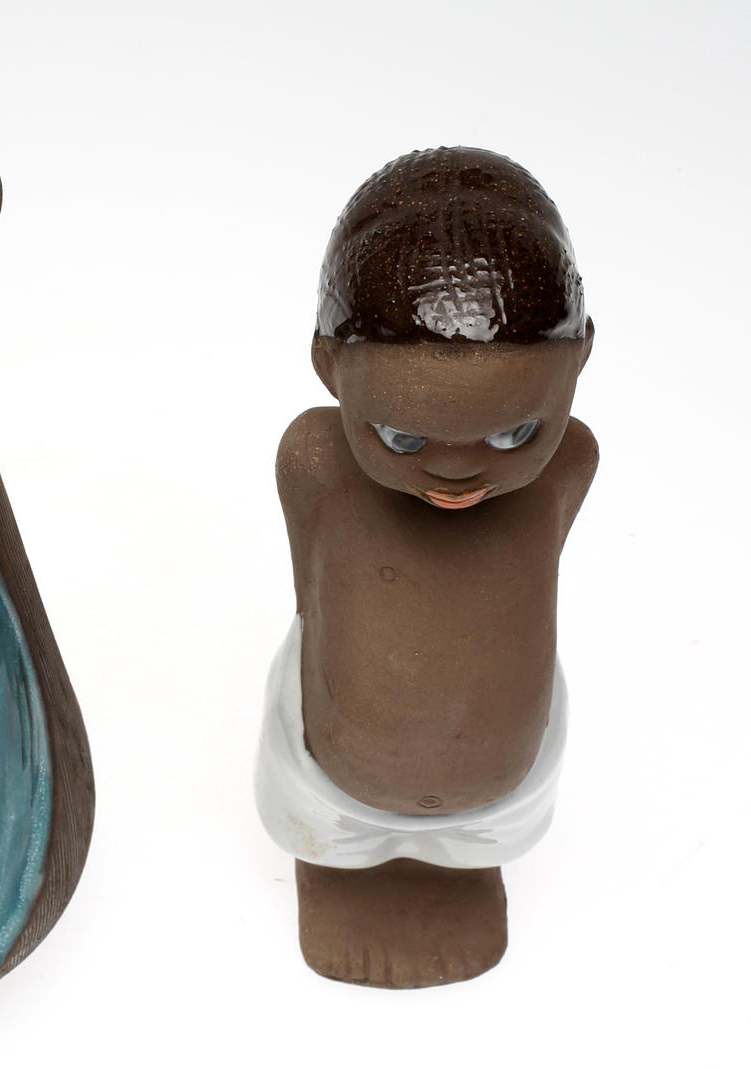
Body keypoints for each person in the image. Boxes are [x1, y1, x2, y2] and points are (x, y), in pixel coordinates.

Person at [259, 147, 598, 987]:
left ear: (580, 359)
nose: (455, 470)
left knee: (489, 829)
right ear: (329, 366)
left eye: (515, 431)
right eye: (403, 436)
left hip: (503, 775)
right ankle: (340, 867)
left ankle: (462, 865)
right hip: (337, 766)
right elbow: (310, 593)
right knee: (327, 821)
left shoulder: (568, 466)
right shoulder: (317, 462)